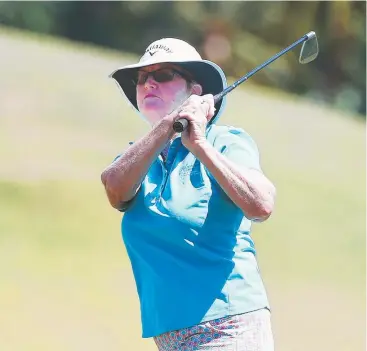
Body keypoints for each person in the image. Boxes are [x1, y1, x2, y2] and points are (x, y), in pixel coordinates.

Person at [101, 38, 277, 351]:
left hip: (228, 325)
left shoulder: (226, 141)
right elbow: (115, 189)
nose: (148, 82)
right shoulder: (136, 159)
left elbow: (261, 204)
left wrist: (200, 146)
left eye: (164, 74)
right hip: (170, 337)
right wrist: (170, 125)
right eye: (142, 79)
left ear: (195, 91)